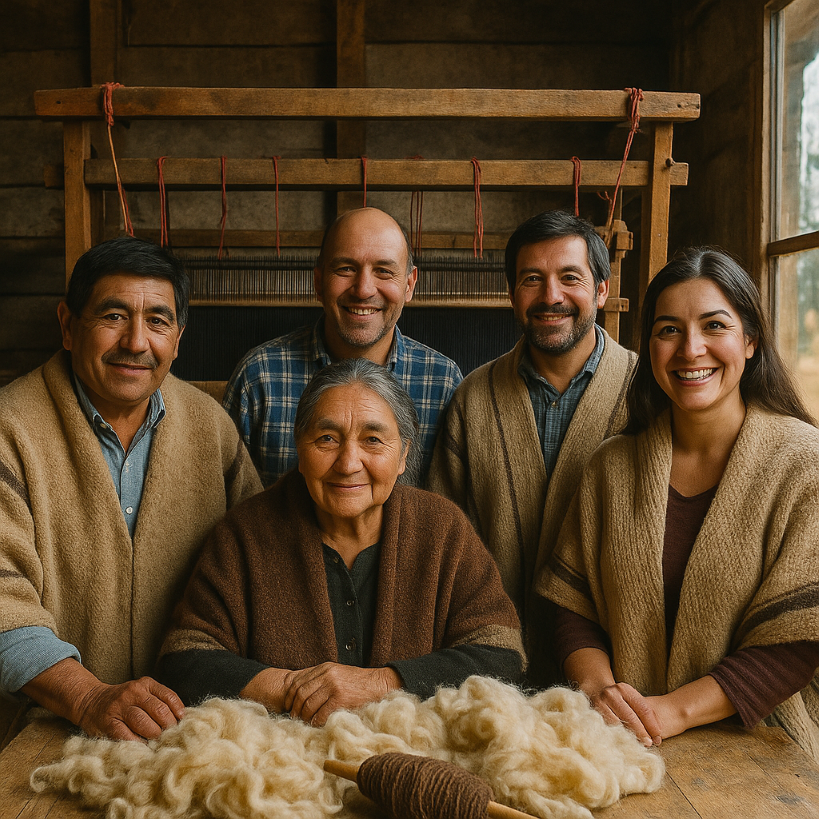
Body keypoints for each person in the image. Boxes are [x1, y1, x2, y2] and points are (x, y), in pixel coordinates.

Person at [539, 248, 819, 759]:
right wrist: (600, 692)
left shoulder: (804, 465)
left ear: (751, 339)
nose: (691, 349)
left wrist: (670, 711)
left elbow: (800, 637)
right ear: (648, 349)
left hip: (763, 751)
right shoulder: (611, 467)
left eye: (715, 326)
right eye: (668, 330)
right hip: (621, 744)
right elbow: (571, 607)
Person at [158, 359, 524, 725]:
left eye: (373, 440)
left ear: (403, 455)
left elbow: (502, 653)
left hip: (415, 755)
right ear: (300, 450)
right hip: (281, 764)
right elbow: (185, 658)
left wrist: (380, 683)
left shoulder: (442, 530)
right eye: (327, 439)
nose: (348, 463)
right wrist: (294, 688)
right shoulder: (245, 534)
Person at [0, 237, 262, 747]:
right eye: (113, 316)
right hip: (39, 732)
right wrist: (88, 698)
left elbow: (259, 566)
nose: (137, 341)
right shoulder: (10, 429)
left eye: (158, 321)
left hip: (191, 730)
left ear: (178, 338)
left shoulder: (212, 427)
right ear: (68, 325)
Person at [427, 210, 636, 687]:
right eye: (531, 280)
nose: (551, 296)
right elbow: (442, 543)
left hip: (620, 679)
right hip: (493, 674)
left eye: (570, 278)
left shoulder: (648, 395)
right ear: (511, 294)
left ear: (601, 290)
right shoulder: (472, 398)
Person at [223, 207, 462, 487]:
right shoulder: (259, 376)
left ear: (409, 285)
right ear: (318, 282)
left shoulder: (443, 382)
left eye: (384, 271)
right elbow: (225, 505)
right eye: (345, 269)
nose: (363, 289)